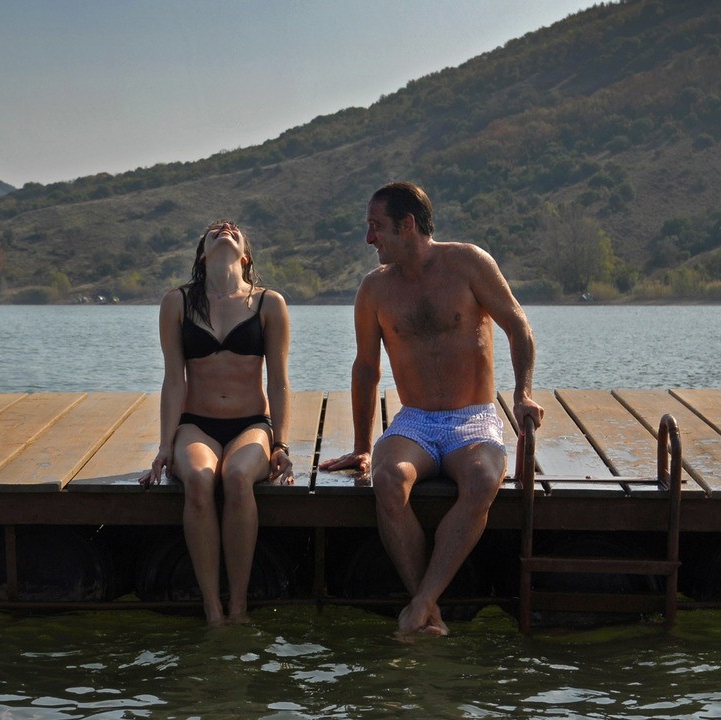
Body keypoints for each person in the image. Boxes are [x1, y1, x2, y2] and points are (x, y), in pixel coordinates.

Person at [319, 182, 544, 636]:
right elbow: (366, 369)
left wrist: (522, 393)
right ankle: (426, 608)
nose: (369, 239)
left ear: (407, 225)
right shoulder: (374, 289)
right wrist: (363, 446)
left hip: (473, 417)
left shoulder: (468, 263)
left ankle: (421, 604)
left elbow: (518, 326)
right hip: (416, 421)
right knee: (387, 479)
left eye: (376, 226)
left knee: (483, 479)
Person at [140, 219, 293, 626]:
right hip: (196, 424)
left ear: (245, 256)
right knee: (199, 478)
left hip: (251, 424)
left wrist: (280, 443)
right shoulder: (177, 302)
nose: (225, 227)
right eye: (214, 229)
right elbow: (174, 380)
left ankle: (238, 605)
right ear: (202, 254)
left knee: (238, 476)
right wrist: (164, 446)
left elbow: (278, 381)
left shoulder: (269, 303)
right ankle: (212, 609)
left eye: (233, 228)